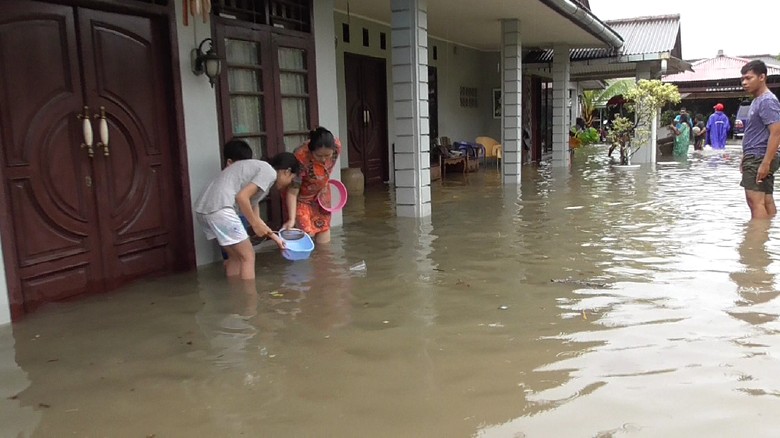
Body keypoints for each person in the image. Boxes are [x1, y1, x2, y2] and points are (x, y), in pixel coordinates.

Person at [195, 143, 301, 280]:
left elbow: (256, 218)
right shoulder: (269, 172)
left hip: (204, 210)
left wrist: (277, 239)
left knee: (235, 257)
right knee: (248, 256)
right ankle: (249, 294)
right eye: (291, 179)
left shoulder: (260, 178)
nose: (289, 185)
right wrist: (255, 225)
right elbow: (242, 198)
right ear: (287, 171)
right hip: (221, 208)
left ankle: (236, 291)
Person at [284, 127, 342, 244]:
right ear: (311, 151)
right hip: (302, 197)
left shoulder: (336, 146)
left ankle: (323, 255)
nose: (324, 159)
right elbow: (292, 191)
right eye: (319, 156)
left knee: (323, 228)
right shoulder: (300, 157)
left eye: (327, 155)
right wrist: (291, 219)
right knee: (305, 232)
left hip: (322, 193)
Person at [739, 60, 780, 220]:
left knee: (754, 201)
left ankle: (756, 235)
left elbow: (776, 132)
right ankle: (769, 231)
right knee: (766, 199)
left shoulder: (766, 101)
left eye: (749, 78)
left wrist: (765, 162)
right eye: (743, 79)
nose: (744, 82)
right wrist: (745, 156)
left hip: (759, 157)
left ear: (762, 77)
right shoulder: (758, 100)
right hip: (756, 155)